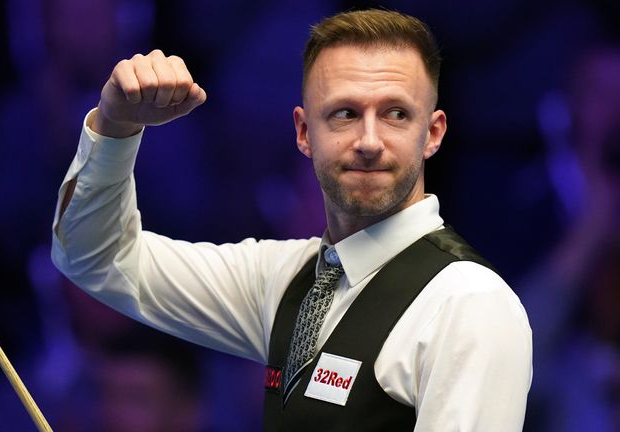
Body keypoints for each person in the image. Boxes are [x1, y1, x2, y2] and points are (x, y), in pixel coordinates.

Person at [51, 9, 532, 430]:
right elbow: (98, 259)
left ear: (432, 133)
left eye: (396, 114)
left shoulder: (469, 304)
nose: (368, 139)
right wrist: (114, 128)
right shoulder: (284, 280)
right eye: (344, 113)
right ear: (304, 132)